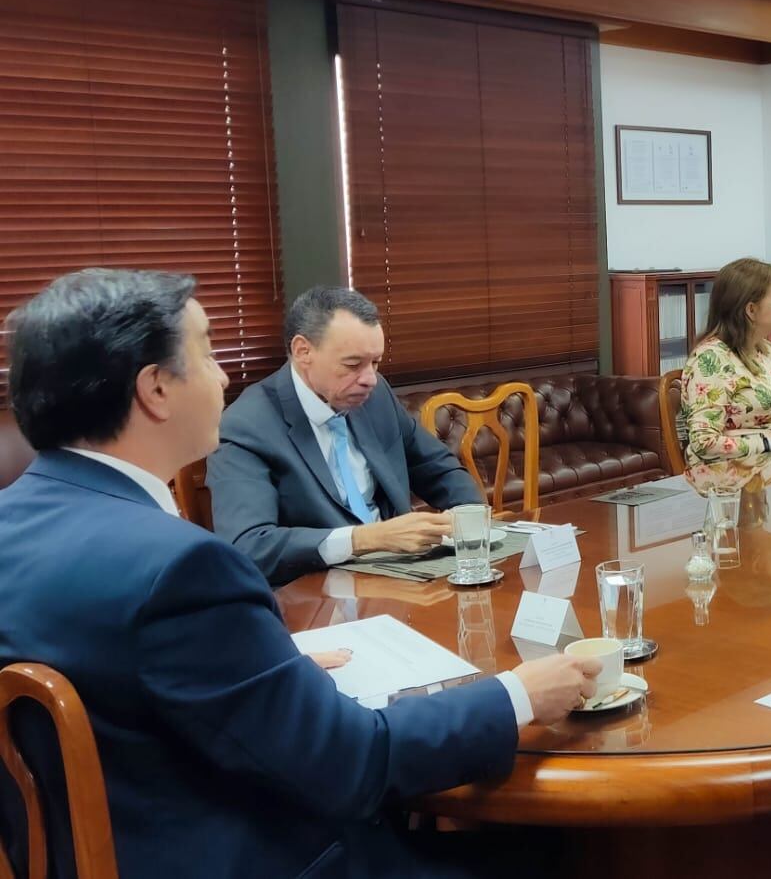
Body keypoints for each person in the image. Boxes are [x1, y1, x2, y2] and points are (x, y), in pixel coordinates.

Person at [0, 269, 602, 878]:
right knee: (570, 852)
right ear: (156, 389)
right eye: (208, 353)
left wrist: (252, 663)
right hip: (262, 855)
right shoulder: (181, 568)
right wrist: (519, 694)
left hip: (86, 848)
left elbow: (130, 675)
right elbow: (353, 762)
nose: (225, 374)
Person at [208, 287, 483, 587]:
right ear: (303, 352)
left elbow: (438, 468)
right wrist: (365, 539)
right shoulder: (246, 425)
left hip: (404, 581)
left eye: (375, 363)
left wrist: (467, 519)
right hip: (317, 594)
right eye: (353, 365)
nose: (369, 379)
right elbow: (249, 546)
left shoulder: (376, 396)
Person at [681, 258, 771, 465]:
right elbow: (703, 443)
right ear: (751, 310)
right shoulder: (710, 360)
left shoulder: (766, 349)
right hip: (727, 480)